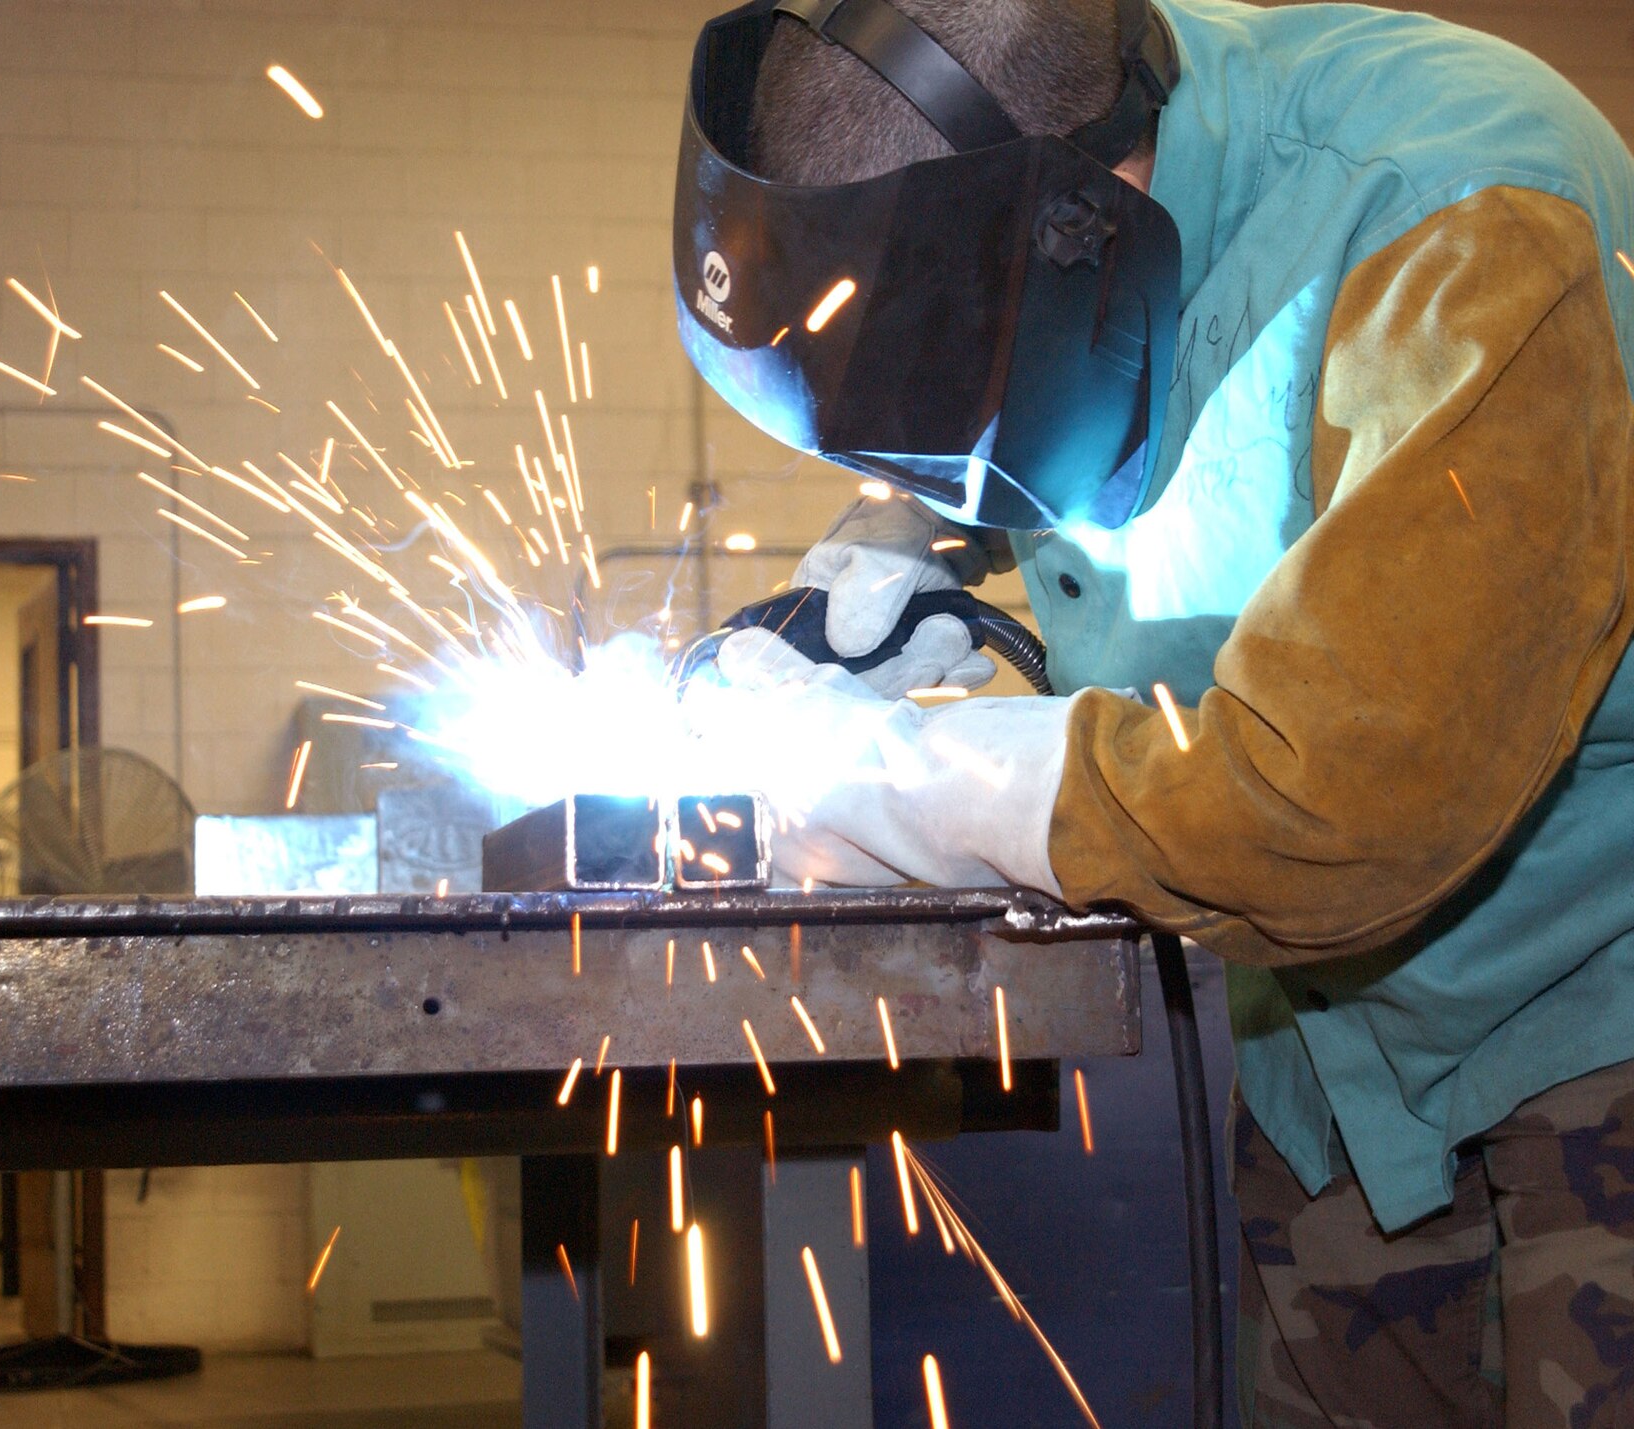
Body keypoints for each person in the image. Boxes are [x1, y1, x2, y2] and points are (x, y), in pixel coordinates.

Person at [672, 0, 1634, 1423]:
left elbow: (1341, 806)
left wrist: (906, 783)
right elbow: (1062, 382)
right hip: (1324, 1053)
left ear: (1079, 219)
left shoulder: (1463, 216)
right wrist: (915, 535)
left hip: (1586, 1006)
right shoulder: (1062, 147)